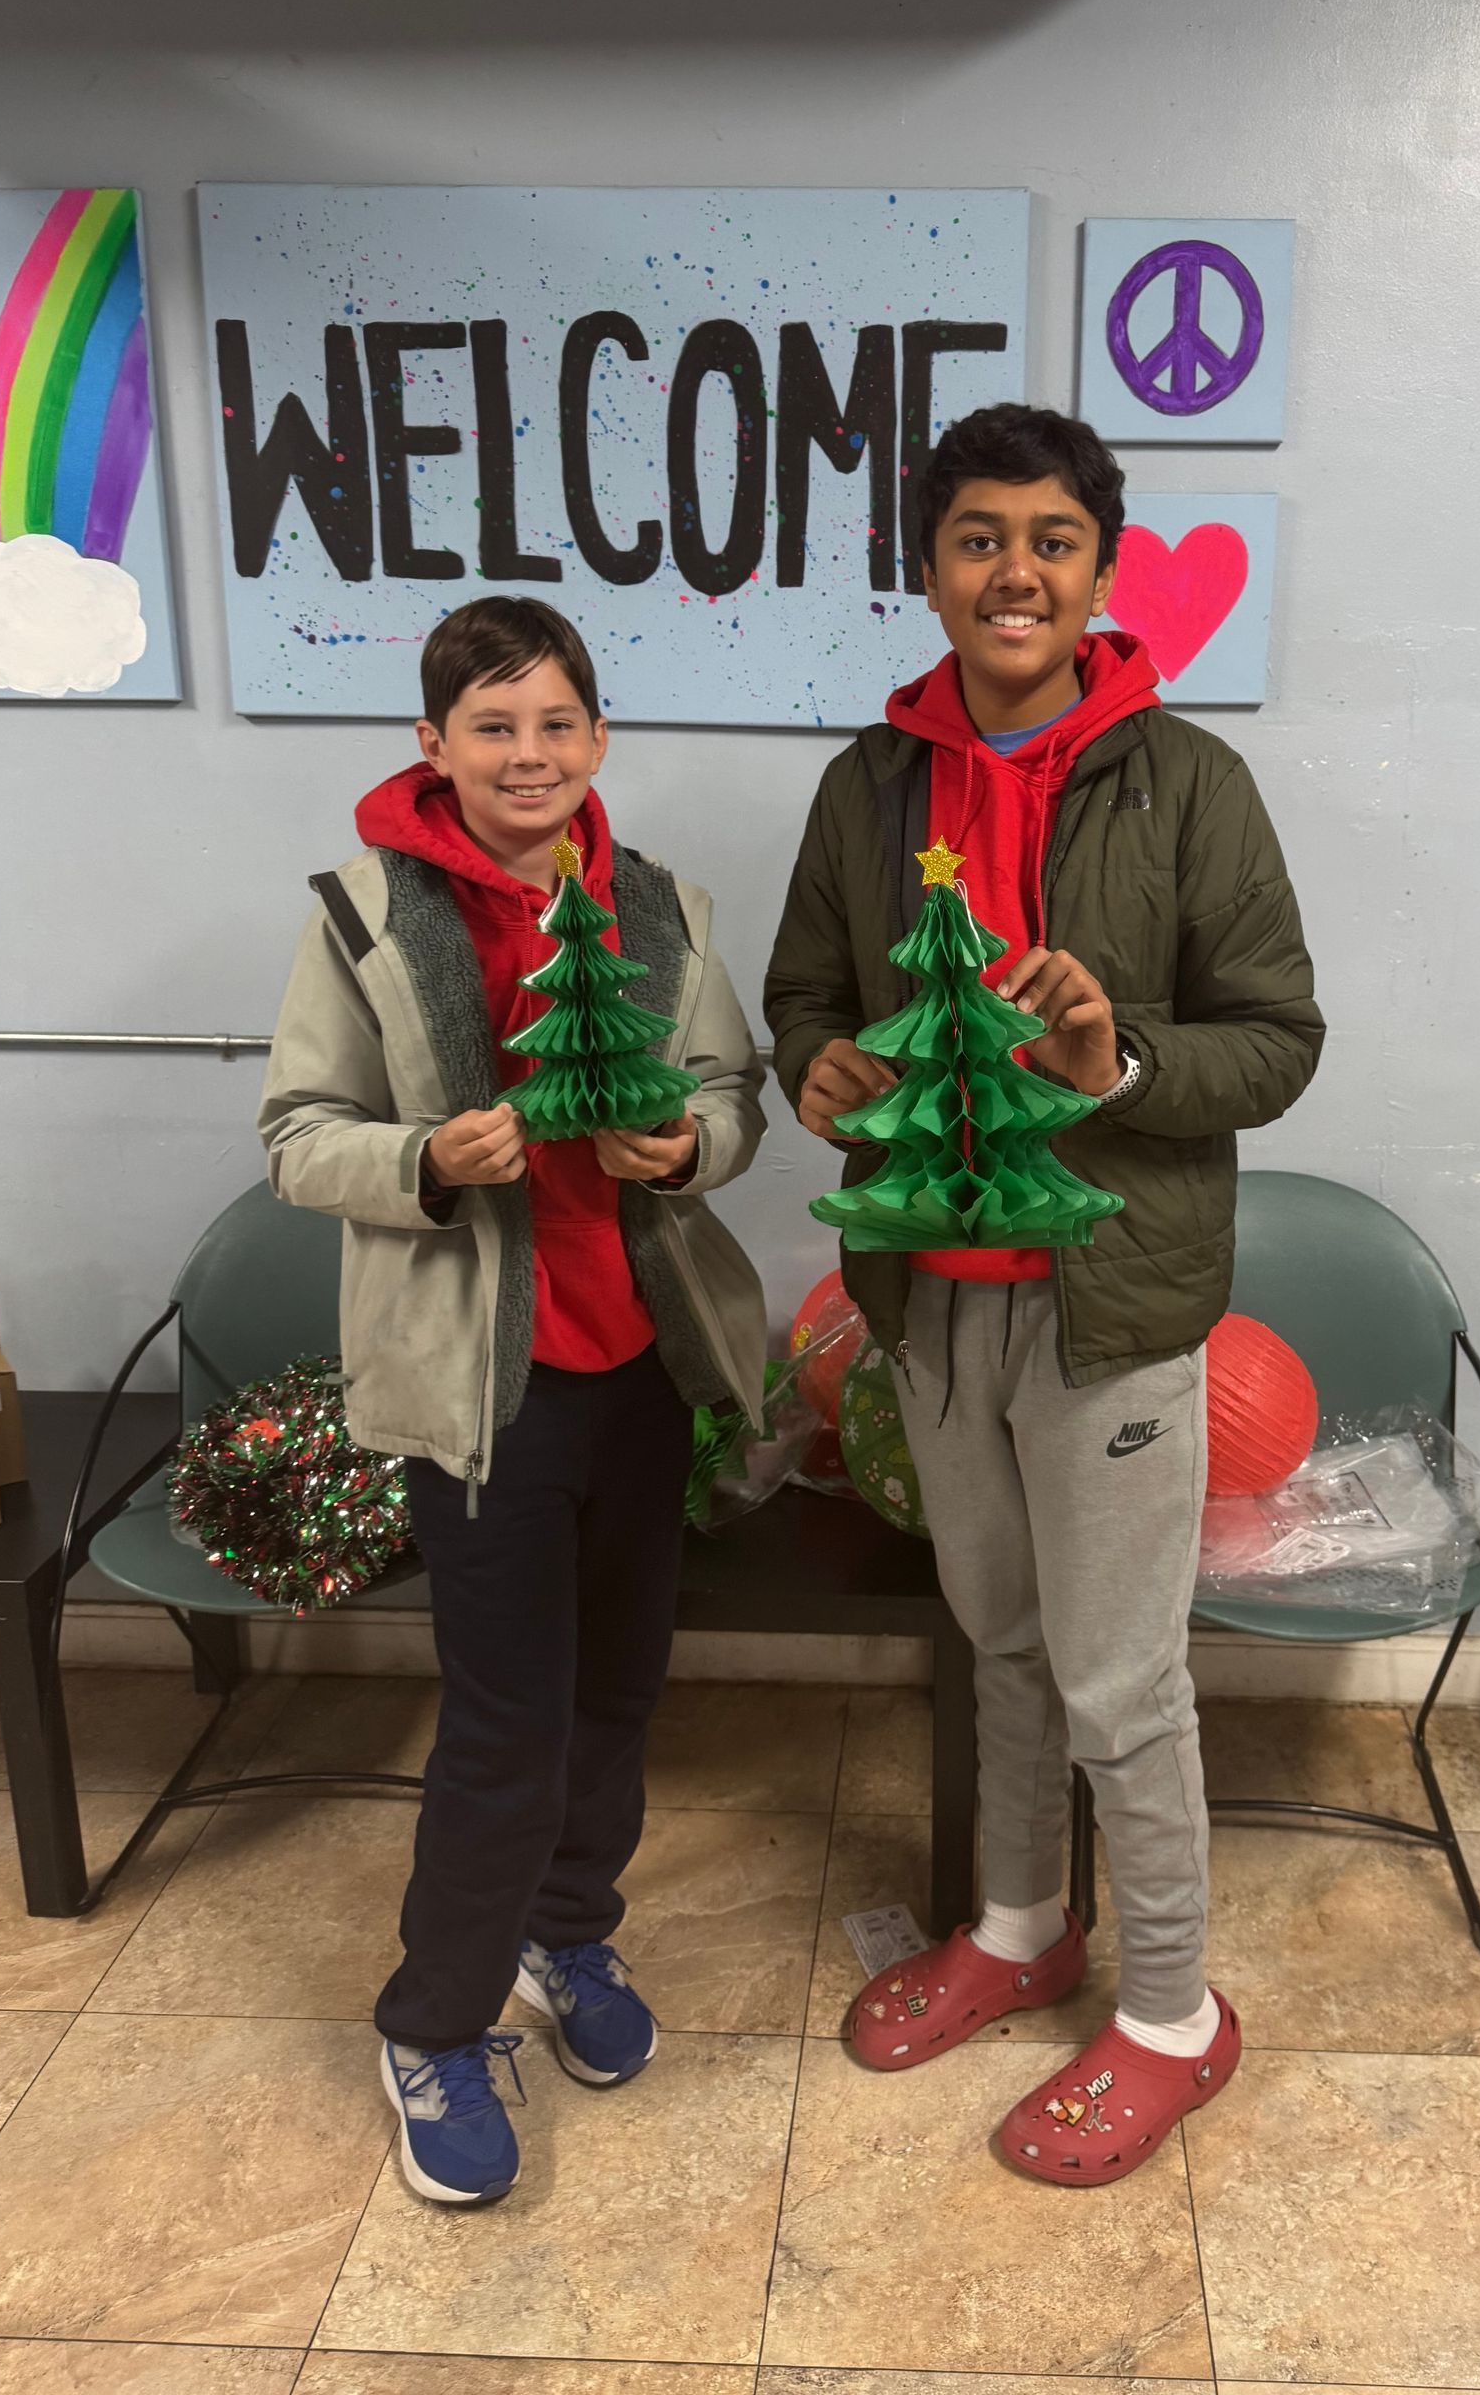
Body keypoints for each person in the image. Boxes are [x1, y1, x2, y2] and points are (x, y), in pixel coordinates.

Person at [765, 403, 1323, 2185]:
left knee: (1117, 1679)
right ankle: (1019, 1931)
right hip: (932, 1299)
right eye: (980, 535)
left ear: (1099, 569)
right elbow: (801, 999)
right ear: (926, 567)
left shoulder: (1192, 784)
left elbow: (1280, 1043)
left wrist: (1118, 1055)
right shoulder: (867, 788)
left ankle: (1172, 2015)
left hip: (1110, 1303)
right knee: (1000, 1647)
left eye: (1053, 538)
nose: (1016, 568)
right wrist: (818, 1072)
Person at [260, 596, 767, 2206]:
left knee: (617, 1693)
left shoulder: (666, 913)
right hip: (483, 1390)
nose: (528, 754)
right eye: (493, 727)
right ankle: (434, 2019)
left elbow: (732, 1093)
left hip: (643, 1370)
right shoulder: (363, 915)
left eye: (556, 724)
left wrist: (687, 1149)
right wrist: (421, 1158)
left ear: (598, 737)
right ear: (434, 747)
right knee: (505, 1718)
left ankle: (567, 1936)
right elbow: (295, 1133)